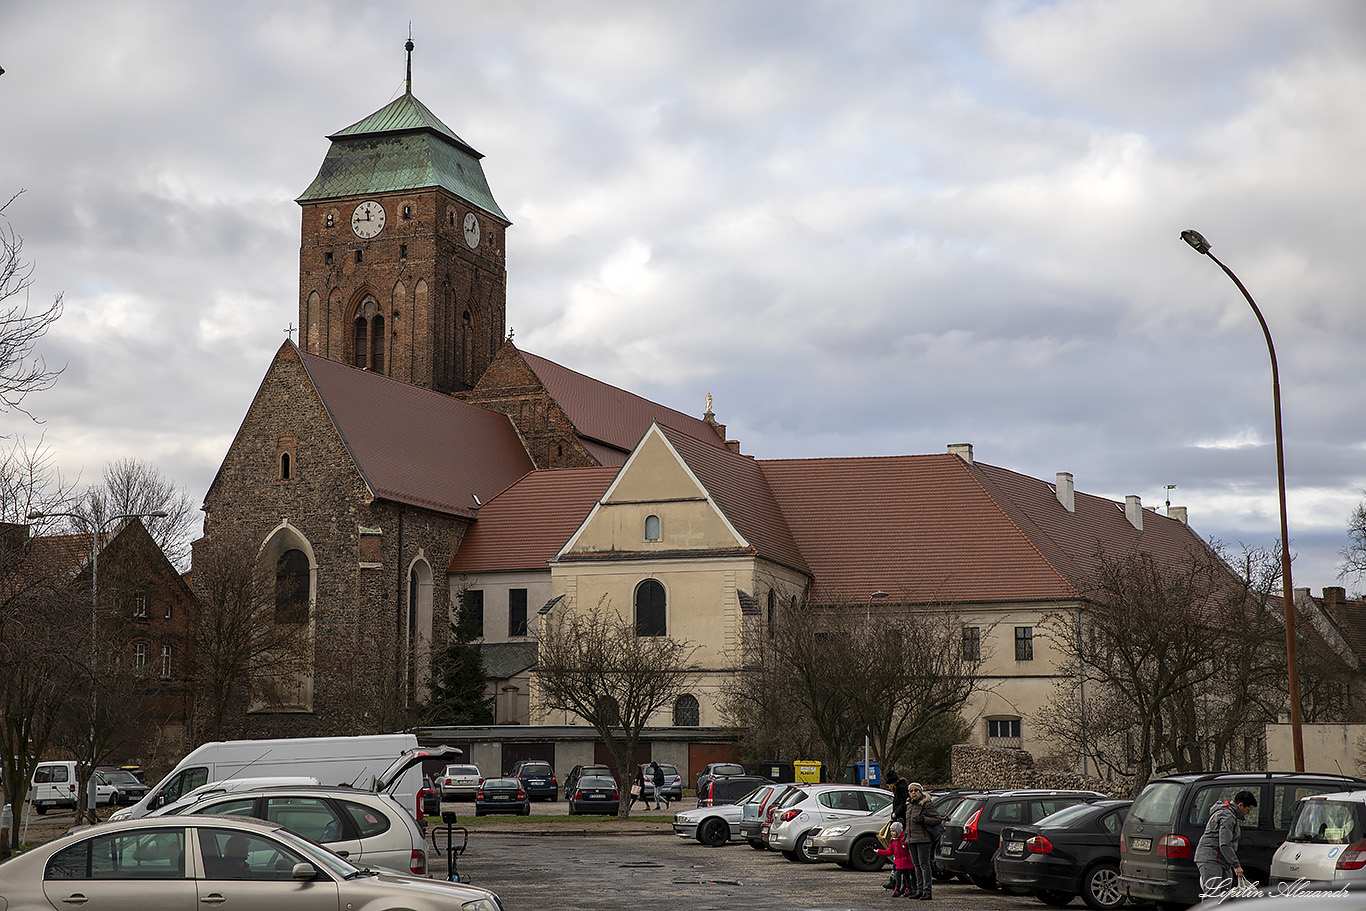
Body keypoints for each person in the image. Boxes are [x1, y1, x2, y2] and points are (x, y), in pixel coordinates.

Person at [1194, 790, 1257, 894]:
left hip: (1220, 860)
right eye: (1248, 809)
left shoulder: (1228, 814)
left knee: (1224, 894)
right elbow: (1224, 844)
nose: (1248, 813)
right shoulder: (1227, 817)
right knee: (1212, 895)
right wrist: (1236, 865)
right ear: (1240, 805)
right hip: (1211, 858)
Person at [903, 781, 940, 900]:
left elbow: (937, 819)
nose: (913, 793)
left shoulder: (926, 804)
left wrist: (923, 819)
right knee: (916, 865)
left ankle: (927, 891)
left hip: (923, 839)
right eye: (911, 791)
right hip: (911, 838)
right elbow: (908, 823)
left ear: (920, 792)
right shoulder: (909, 804)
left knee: (924, 865)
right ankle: (919, 890)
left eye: (916, 791)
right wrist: (905, 837)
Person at [876, 821, 915, 896]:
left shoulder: (902, 840)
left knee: (905, 876)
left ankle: (904, 888)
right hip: (898, 862)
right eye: (891, 831)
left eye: (893, 831)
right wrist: (879, 852)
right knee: (900, 876)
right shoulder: (893, 841)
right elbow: (890, 852)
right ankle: (901, 889)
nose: (892, 833)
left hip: (905, 862)